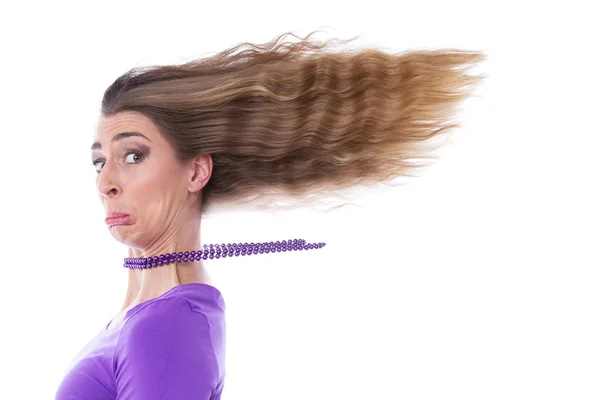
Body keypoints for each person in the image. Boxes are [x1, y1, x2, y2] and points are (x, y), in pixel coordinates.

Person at [54, 31, 484, 399]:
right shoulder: (145, 314)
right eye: (99, 161)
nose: (104, 182)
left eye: (133, 155)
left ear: (196, 171)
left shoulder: (166, 325)